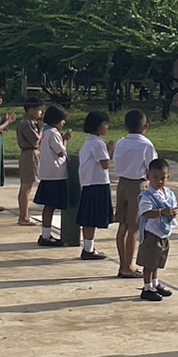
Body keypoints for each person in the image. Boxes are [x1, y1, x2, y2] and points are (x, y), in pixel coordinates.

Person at [112, 108, 157, 276]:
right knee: (134, 227)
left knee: (122, 225)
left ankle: (122, 264)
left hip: (122, 183)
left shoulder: (121, 143)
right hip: (138, 185)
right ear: (146, 127)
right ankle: (128, 266)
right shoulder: (146, 144)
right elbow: (152, 167)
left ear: (125, 127)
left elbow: (116, 161)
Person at [136, 157, 177, 301]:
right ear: (148, 176)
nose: (159, 181)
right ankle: (147, 287)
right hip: (151, 234)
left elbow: (173, 207)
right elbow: (145, 213)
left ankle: (155, 283)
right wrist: (161, 212)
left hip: (163, 233)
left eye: (162, 178)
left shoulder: (169, 194)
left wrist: (172, 213)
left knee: (157, 262)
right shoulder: (147, 196)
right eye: (155, 177)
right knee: (149, 262)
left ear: (168, 177)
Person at [76, 110, 113, 264]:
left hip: (89, 182)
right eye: (105, 124)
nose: (107, 127)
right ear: (97, 126)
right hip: (97, 183)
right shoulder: (98, 143)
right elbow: (105, 164)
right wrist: (110, 150)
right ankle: (88, 249)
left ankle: (88, 247)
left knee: (89, 218)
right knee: (92, 218)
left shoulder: (89, 142)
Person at [34, 104, 71, 247]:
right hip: (56, 175)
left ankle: (46, 233)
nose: (64, 123)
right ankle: (46, 236)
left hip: (47, 174)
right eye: (62, 120)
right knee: (51, 206)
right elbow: (61, 152)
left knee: (48, 206)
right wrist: (65, 140)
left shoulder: (45, 131)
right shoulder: (54, 133)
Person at [15, 97, 44, 225]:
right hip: (29, 154)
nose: (40, 112)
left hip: (32, 153)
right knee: (26, 186)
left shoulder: (31, 122)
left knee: (28, 186)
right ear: (31, 110)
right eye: (39, 110)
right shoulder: (26, 123)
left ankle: (24, 215)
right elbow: (35, 140)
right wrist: (41, 129)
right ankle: (23, 216)